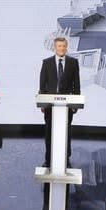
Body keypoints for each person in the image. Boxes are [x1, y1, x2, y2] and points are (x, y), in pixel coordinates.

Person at [39, 37, 80, 168]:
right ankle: (48, 158)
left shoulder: (73, 63)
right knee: (49, 131)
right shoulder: (47, 63)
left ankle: (66, 158)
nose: (61, 48)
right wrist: (43, 102)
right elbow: (42, 84)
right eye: (59, 46)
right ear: (55, 47)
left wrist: (75, 103)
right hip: (50, 105)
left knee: (66, 131)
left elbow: (76, 84)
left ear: (66, 47)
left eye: (63, 46)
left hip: (67, 105)